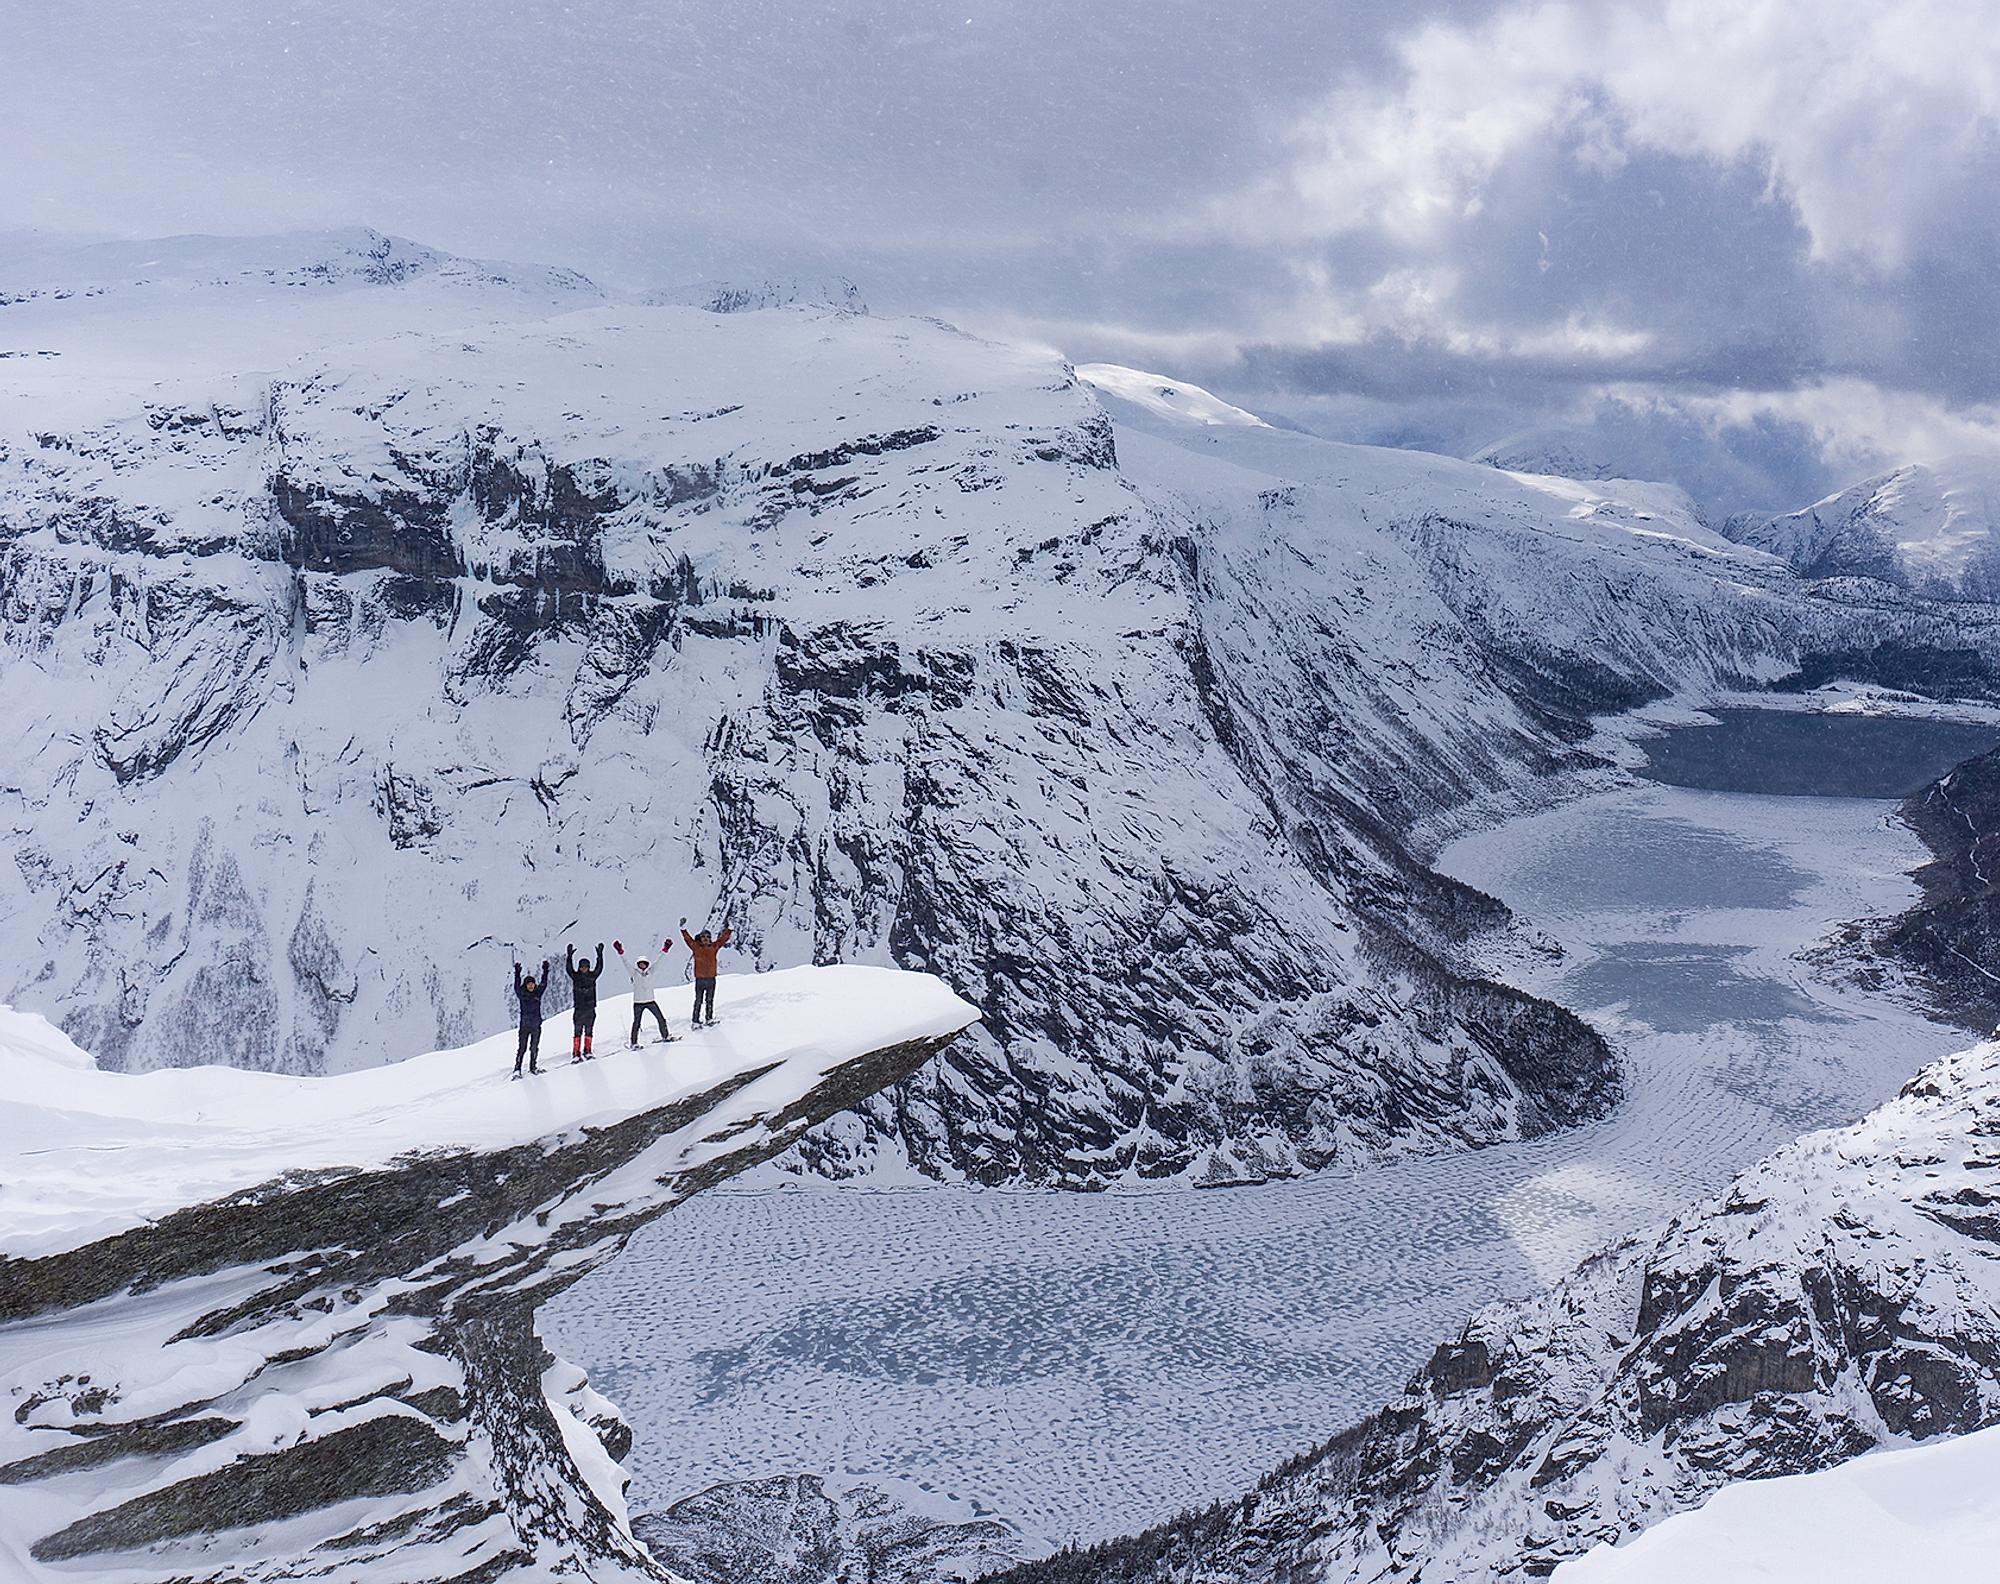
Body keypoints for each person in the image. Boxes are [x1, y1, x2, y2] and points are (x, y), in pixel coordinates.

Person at [614, 937, 676, 1047]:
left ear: (647, 964)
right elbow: (626, 963)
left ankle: (665, 1036)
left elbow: (659, 961)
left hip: (651, 1000)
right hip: (638, 1002)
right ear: (638, 964)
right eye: (640, 964)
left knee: (661, 1019)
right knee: (636, 1023)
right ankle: (633, 1043)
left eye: (644, 963)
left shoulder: (651, 971)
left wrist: (665, 950)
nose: (642, 965)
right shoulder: (633, 972)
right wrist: (621, 952)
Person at [680, 917, 734, 1027]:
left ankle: (709, 1018)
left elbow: (723, 939)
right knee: (698, 1000)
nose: (705, 939)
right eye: (703, 937)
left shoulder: (714, 947)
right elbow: (688, 939)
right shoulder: (696, 947)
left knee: (710, 1000)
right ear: (700, 938)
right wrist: (683, 929)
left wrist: (730, 929)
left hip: (711, 978)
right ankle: (695, 1021)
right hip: (700, 979)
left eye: (707, 937)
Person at [566, 942, 604, 1062]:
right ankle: (576, 1053)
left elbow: (599, 968)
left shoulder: (592, 976)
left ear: (588, 967)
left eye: (586, 967)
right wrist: (569, 957)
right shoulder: (575, 976)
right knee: (577, 1031)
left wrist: (600, 955)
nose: (584, 969)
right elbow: (569, 969)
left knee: (589, 1030)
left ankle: (587, 1050)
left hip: (590, 1008)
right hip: (579, 1009)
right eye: (582, 967)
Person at [513, 959, 549, 1078]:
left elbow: (544, 983)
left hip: (536, 1025)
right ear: (526, 985)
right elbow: (516, 987)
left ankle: (533, 1066)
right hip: (525, 1026)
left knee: (534, 1047)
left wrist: (545, 971)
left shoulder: (538, 993)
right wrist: (517, 974)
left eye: (532, 983)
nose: (531, 985)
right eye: (529, 984)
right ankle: (517, 1069)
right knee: (522, 1048)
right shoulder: (522, 994)